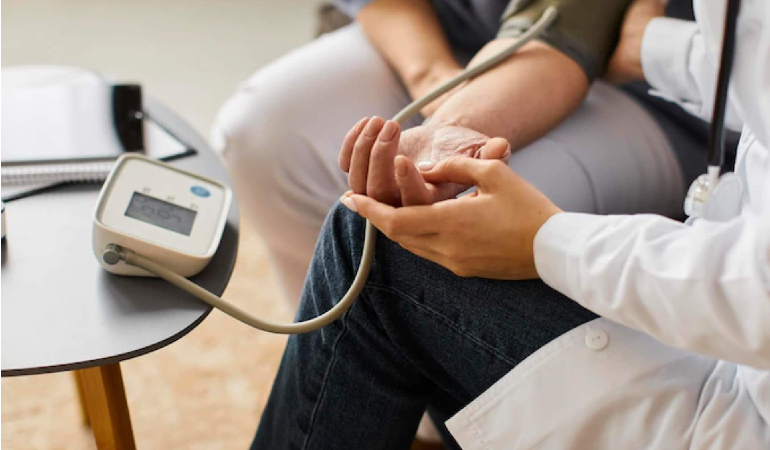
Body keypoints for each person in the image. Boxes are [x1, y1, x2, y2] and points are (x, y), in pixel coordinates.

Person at [249, 0, 770, 448]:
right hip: (736, 352)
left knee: (377, 247)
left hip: (742, 412)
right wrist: (659, 49)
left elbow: (757, 293)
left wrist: (544, 241)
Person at [212, 0, 710, 305]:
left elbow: (564, 31)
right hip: (457, 24)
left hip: (648, 86)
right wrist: (430, 73)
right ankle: (360, 380)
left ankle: (436, 410)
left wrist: (453, 124)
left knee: (457, 215)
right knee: (258, 133)